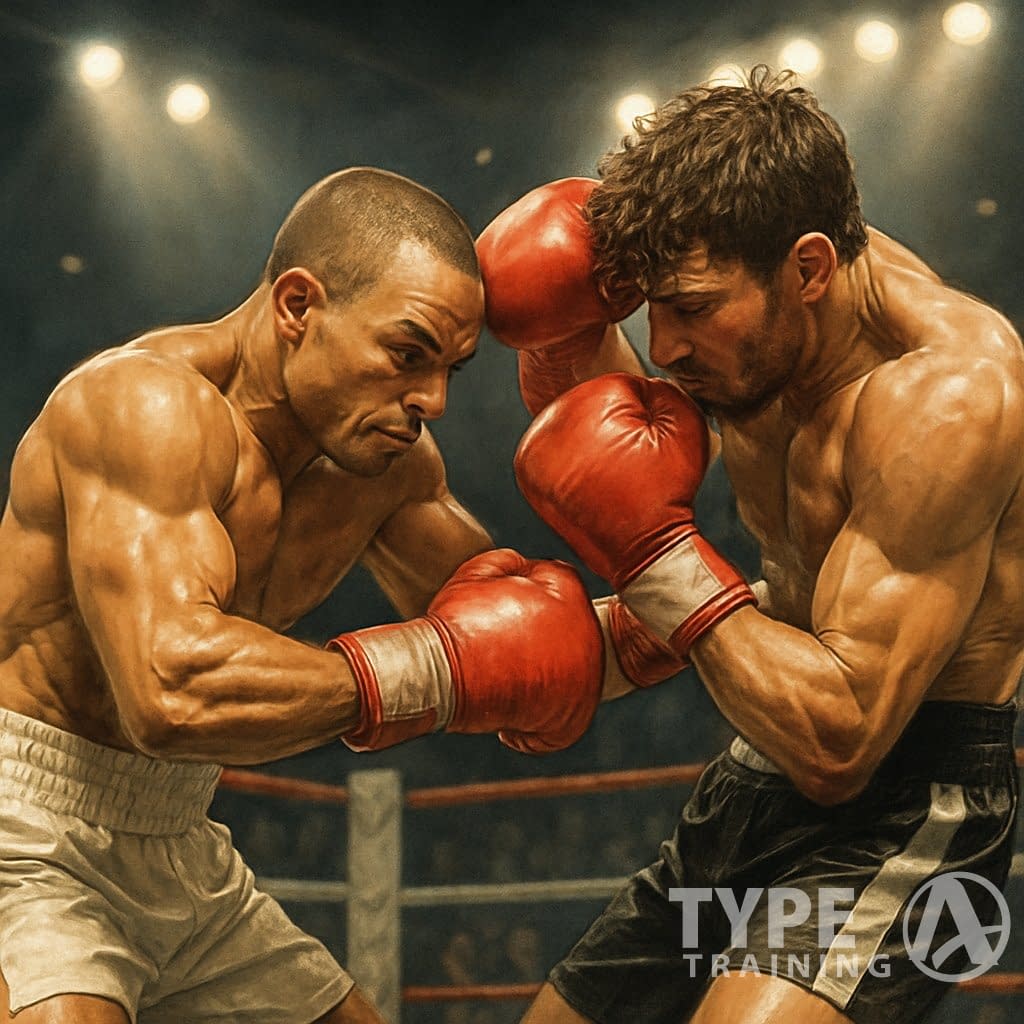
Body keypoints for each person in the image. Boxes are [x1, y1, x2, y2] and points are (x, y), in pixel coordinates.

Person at [0, 167, 613, 1024]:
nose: (429, 400)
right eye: (407, 355)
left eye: (449, 370)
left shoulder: (384, 472)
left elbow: (521, 647)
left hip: (182, 840)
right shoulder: (143, 407)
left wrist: (695, 598)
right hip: (24, 831)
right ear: (298, 307)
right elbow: (170, 688)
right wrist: (424, 673)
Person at [478, 67, 1023, 1024]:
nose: (666, 346)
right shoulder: (756, 327)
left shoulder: (946, 397)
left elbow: (843, 740)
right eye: (649, 308)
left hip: (906, 797)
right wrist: (556, 335)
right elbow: (612, 440)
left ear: (809, 269)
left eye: (689, 307)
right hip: (762, 761)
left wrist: (654, 563)